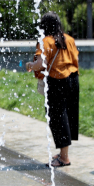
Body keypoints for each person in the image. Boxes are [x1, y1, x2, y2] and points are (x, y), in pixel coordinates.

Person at [26, 12, 79, 167]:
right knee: (67, 115)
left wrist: (30, 65)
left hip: (57, 81)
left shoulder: (45, 41)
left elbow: (41, 64)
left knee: (56, 116)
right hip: (73, 78)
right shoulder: (69, 39)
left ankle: (64, 158)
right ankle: (64, 153)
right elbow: (75, 59)